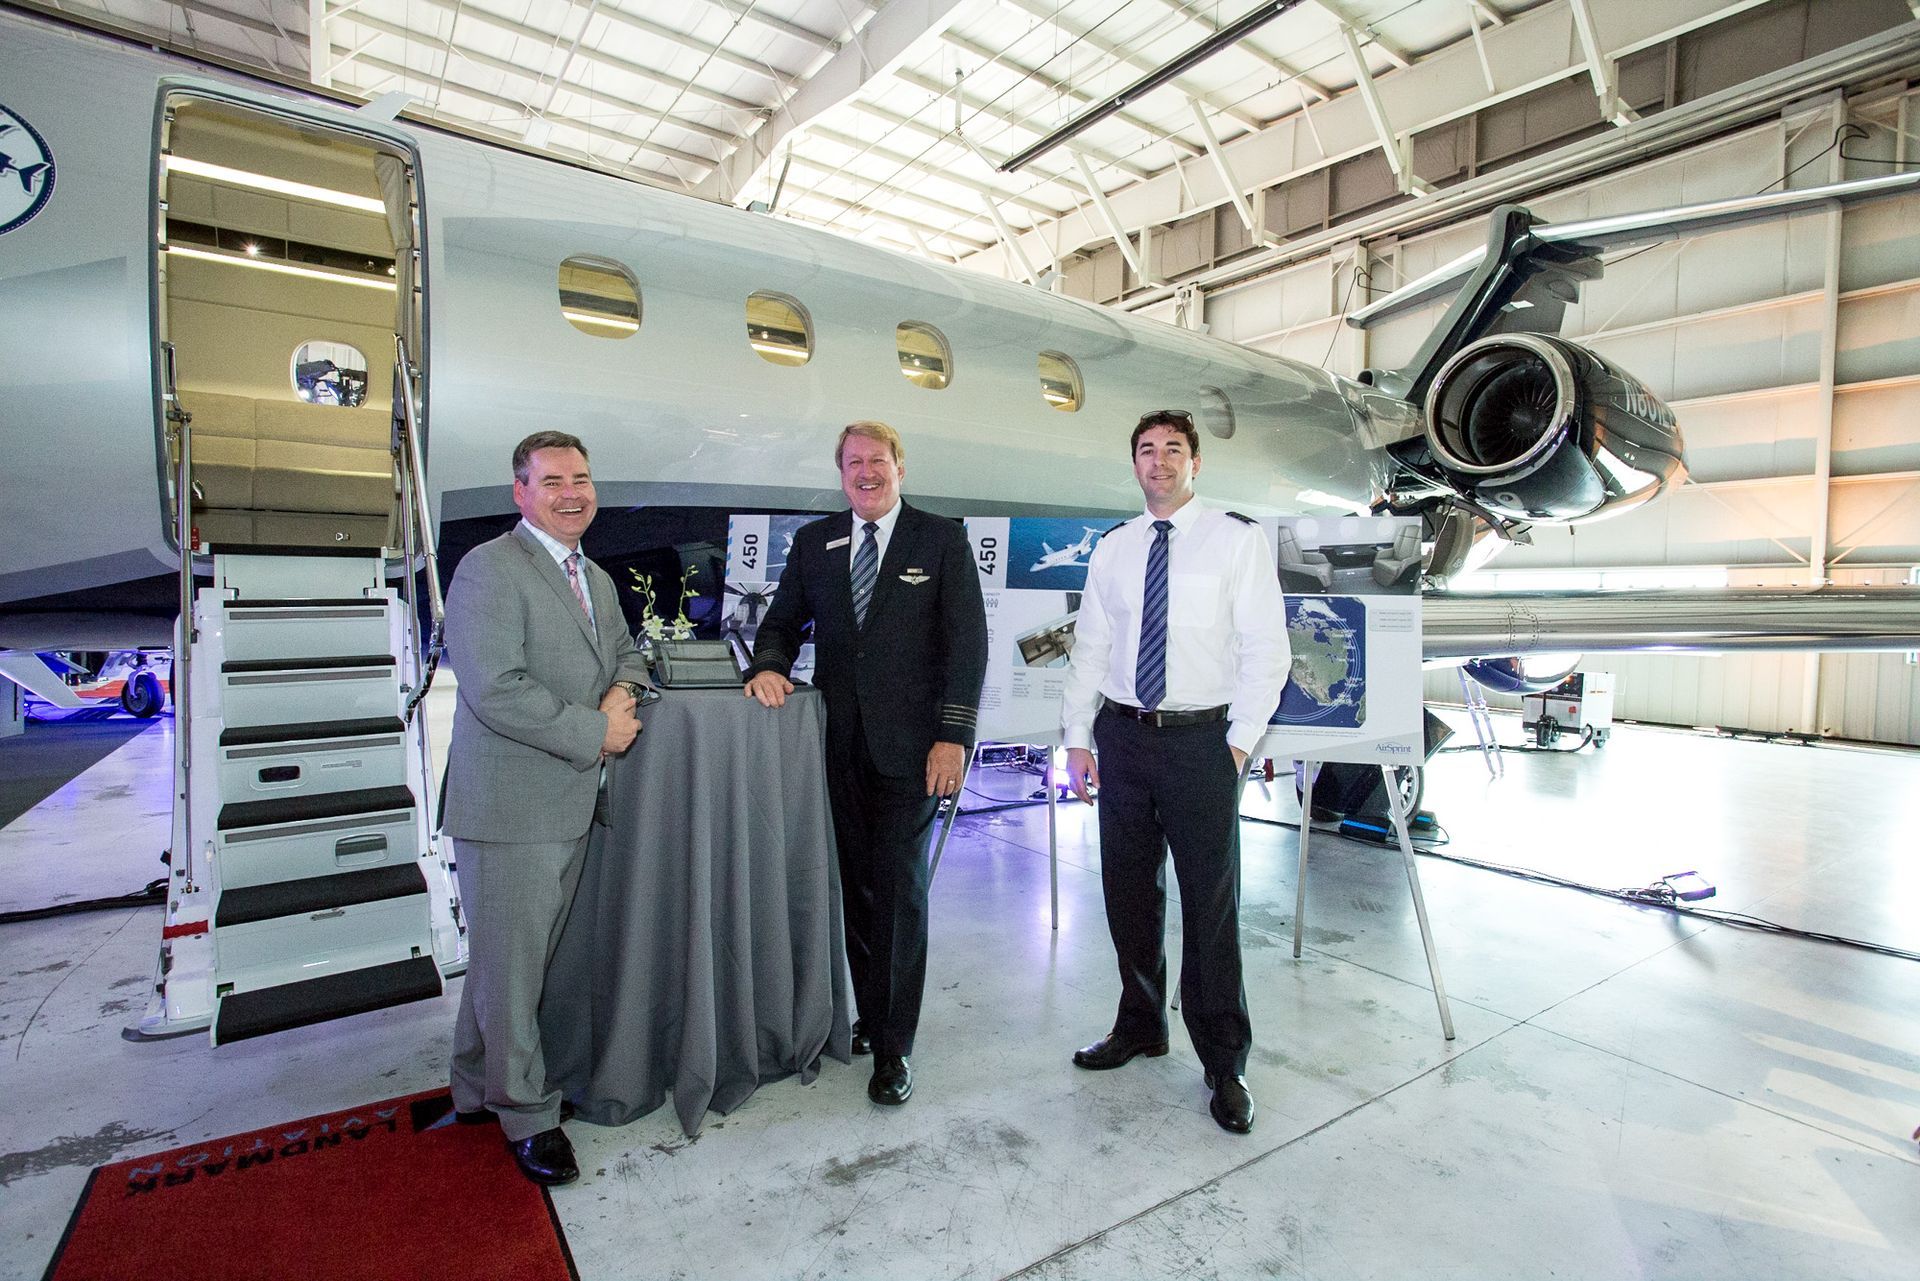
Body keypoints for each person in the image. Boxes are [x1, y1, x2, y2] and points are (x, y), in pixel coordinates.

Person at [1060, 409, 1291, 1135]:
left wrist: (1240, 741)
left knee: (1209, 905)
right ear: (1134, 464)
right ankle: (1140, 1023)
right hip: (1122, 737)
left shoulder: (1237, 540)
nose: (1159, 461)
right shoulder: (1115, 549)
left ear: (1196, 463)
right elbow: (1090, 648)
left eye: (1173, 449)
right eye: (1146, 450)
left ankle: (1225, 1061)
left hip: (1202, 742)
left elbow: (1267, 649)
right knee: (1127, 893)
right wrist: (1076, 737)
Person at [744, 421, 987, 1107]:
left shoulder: (940, 539)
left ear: (900, 467)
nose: (866, 473)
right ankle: (873, 1018)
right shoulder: (815, 542)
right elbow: (783, 622)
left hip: (915, 755)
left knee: (900, 895)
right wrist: (768, 666)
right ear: (841, 472)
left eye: (877, 461)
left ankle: (894, 1046)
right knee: (857, 894)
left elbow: (967, 646)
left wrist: (954, 737)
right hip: (838, 748)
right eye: (854, 463)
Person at [442, 430, 650, 1185]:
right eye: (554, 479)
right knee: (513, 965)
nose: (573, 492)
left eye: (583, 478)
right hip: (509, 807)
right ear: (520, 492)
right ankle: (526, 1115)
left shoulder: (590, 576)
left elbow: (626, 653)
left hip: (562, 803)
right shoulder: (489, 570)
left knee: (507, 961)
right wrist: (597, 731)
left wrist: (621, 692)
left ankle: (471, 1083)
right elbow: (495, 686)